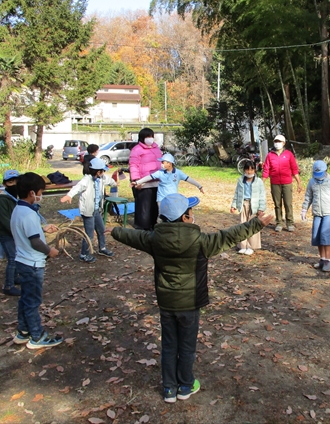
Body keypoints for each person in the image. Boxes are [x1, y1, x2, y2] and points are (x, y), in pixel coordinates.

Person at [111, 193, 274, 403]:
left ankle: (169, 388)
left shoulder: (154, 239)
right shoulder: (201, 241)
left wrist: (114, 230)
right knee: (186, 347)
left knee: (169, 346)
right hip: (190, 303)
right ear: (185, 218)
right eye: (190, 211)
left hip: (167, 303)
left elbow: (131, 236)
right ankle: (185, 386)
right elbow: (229, 236)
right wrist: (256, 224)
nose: (193, 214)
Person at [10, 172, 62, 349]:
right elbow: (35, 241)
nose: (41, 196)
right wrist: (50, 251)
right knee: (33, 302)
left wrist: (42, 228)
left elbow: (29, 232)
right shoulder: (29, 215)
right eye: (40, 192)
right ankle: (37, 336)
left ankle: (23, 331)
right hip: (32, 265)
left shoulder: (18, 209)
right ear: (32, 193)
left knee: (25, 299)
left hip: (22, 261)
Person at [60, 157, 117, 263]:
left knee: (101, 229)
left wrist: (114, 183)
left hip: (96, 210)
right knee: (89, 234)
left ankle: (102, 248)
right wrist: (69, 196)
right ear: (98, 171)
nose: (104, 173)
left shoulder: (101, 178)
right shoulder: (86, 180)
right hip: (88, 212)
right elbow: (77, 188)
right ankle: (83, 254)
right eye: (103, 171)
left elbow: (109, 180)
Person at [300, 160, 330, 272]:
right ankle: (322, 259)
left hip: (329, 212)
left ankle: (328, 260)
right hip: (317, 212)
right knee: (317, 236)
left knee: (325, 236)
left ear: (325, 171)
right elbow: (308, 197)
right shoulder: (312, 182)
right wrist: (304, 209)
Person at [262, 135, 301, 232]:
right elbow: (266, 170)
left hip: (287, 183)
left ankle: (290, 223)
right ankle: (279, 222)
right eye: (275, 141)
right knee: (277, 204)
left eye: (279, 141)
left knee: (288, 203)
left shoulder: (289, 154)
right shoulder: (270, 155)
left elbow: (294, 169)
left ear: (284, 143)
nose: (277, 143)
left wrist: (298, 183)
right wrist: (262, 182)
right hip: (275, 183)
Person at [133, 153, 204, 203]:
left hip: (173, 198)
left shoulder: (178, 173)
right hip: (161, 198)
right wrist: (137, 182)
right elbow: (149, 177)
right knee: (161, 216)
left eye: (163, 162)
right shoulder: (160, 172)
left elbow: (189, 179)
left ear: (169, 163)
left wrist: (199, 186)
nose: (161, 164)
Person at [230, 160, 266, 255]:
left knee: (252, 225)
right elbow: (237, 193)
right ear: (244, 170)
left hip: (254, 206)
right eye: (247, 170)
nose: (249, 172)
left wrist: (261, 208)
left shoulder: (259, 182)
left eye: (251, 170)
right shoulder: (241, 181)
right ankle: (243, 245)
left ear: (254, 170)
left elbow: (262, 196)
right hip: (243, 204)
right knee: (242, 225)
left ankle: (251, 246)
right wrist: (234, 205)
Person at [129, 128, 163, 230]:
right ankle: (142, 227)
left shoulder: (156, 149)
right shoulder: (137, 150)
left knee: (154, 206)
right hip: (143, 183)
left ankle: (153, 225)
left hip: (156, 182)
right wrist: (136, 180)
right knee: (144, 207)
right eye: (147, 137)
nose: (150, 139)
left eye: (151, 136)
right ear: (142, 138)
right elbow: (133, 165)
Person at [0, 169, 21, 296]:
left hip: (15, 232)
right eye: (11, 182)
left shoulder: (16, 197)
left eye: (16, 181)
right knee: (12, 258)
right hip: (6, 234)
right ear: (5, 184)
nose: (14, 184)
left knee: (17, 256)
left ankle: (15, 277)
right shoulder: (2, 199)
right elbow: (4, 221)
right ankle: (8, 286)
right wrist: (16, 231)